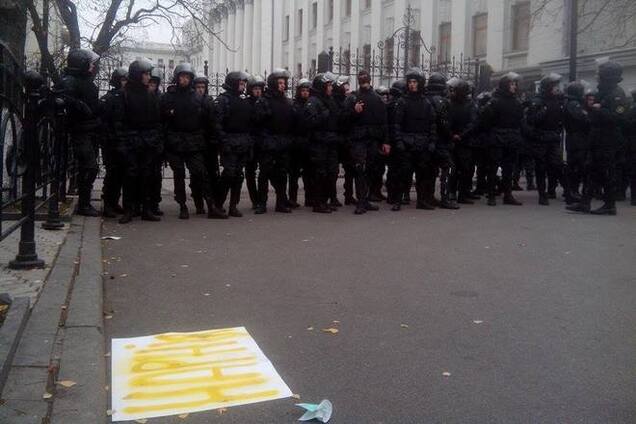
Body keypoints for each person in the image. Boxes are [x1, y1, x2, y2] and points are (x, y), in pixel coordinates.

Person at [102, 59, 162, 223]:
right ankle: (129, 209)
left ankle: (146, 209)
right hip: (130, 141)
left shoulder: (150, 95)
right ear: (137, 75)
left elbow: (156, 121)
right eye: (145, 74)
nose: (148, 77)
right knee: (130, 176)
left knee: (147, 176)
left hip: (147, 141)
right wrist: (122, 143)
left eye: (149, 74)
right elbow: (118, 121)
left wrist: (155, 140)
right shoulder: (124, 94)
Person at [567, 61, 628, 215]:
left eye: (600, 74)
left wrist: (599, 110)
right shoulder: (603, 92)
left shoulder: (617, 94)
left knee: (606, 172)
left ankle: (610, 205)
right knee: (590, 169)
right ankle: (585, 202)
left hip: (608, 140)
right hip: (597, 137)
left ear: (608, 76)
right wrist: (590, 107)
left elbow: (618, 118)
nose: (597, 76)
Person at [160, 63, 214, 219]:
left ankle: (210, 204)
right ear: (177, 77)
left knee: (200, 172)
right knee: (179, 175)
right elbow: (162, 119)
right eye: (182, 76)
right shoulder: (168, 96)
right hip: (175, 141)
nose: (184, 79)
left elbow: (206, 120)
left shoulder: (197, 97)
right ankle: (182, 205)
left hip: (193, 141)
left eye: (187, 77)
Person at [57, 49, 101, 216]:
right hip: (79, 130)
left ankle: (84, 202)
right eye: (89, 63)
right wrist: (79, 105)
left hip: (89, 129)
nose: (92, 66)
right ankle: (83, 204)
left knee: (88, 167)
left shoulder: (84, 80)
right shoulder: (70, 80)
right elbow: (62, 98)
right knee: (89, 167)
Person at [344, 70, 390, 214]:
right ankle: (361, 202)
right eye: (361, 78)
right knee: (360, 169)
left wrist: (386, 141)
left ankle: (366, 199)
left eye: (365, 78)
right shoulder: (353, 98)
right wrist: (354, 111)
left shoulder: (377, 99)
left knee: (370, 170)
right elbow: (344, 119)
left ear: (369, 80)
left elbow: (384, 122)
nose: (363, 80)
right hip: (358, 139)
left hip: (372, 139)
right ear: (358, 80)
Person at [392, 67, 437, 211]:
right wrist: (399, 141)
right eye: (410, 82)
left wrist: (431, 142)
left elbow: (432, 125)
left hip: (422, 144)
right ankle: (397, 200)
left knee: (422, 175)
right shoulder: (402, 102)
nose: (412, 84)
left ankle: (421, 201)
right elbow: (397, 124)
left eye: (415, 82)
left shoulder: (427, 103)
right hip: (407, 144)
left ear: (420, 83)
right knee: (403, 175)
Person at [479, 72, 524, 206]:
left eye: (515, 84)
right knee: (493, 168)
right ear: (505, 85)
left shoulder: (516, 102)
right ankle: (491, 195)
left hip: (511, 138)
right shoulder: (495, 101)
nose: (514, 86)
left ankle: (508, 195)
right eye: (511, 84)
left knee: (508, 168)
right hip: (497, 137)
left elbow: (520, 120)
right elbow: (485, 121)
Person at [253, 69, 294, 214]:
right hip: (268, 142)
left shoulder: (287, 101)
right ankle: (261, 203)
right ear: (273, 84)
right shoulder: (264, 100)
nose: (283, 85)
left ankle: (281, 203)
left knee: (282, 174)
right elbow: (257, 122)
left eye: (284, 83)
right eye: (280, 83)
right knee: (264, 173)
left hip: (282, 143)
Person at [213, 71, 253, 217]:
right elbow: (217, 124)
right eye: (240, 84)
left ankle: (233, 206)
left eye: (244, 84)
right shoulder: (223, 100)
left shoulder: (244, 100)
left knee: (238, 175)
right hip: (229, 142)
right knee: (228, 174)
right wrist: (224, 142)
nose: (243, 87)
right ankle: (217, 205)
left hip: (242, 142)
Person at [525, 73, 565, 205]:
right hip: (541, 138)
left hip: (553, 138)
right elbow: (531, 119)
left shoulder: (557, 100)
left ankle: (559, 190)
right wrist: (544, 111)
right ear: (548, 87)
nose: (557, 88)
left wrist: (558, 130)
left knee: (557, 165)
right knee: (541, 167)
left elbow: (560, 120)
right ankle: (542, 195)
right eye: (554, 86)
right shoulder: (538, 101)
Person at [304, 72, 340, 213]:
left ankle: (325, 201)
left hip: (330, 143)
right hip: (318, 144)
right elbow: (309, 122)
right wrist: (323, 116)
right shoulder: (313, 101)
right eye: (328, 85)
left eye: (331, 85)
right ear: (322, 86)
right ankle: (317, 203)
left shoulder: (329, 100)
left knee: (331, 173)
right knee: (320, 173)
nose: (331, 88)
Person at [425, 72, 459, 209]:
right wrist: (450, 136)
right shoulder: (442, 101)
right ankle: (445, 198)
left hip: (428, 140)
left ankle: (430, 196)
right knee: (449, 167)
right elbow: (444, 123)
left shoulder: (425, 98)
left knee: (432, 169)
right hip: (441, 141)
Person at [99, 67, 127, 218]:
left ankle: (114, 202)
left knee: (121, 175)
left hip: (122, 141)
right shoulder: (109, 98)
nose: (125, 83)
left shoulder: (125, 96)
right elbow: (105, 122)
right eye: (123, 80)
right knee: (112, 174)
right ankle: (108, 204)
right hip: (110, 142)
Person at [447, 77, 479, 204]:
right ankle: (455, 193)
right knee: (456, 169)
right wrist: (454, 135)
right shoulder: (451, 103)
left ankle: (459, 193)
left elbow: (473, 123)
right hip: (459, 141)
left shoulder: (469, 105)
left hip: (462, 141)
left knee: (463, 169)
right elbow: (446, 121)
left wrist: (458, 135)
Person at [562, 82, 590, 205]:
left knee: (575, 167)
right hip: (576, 138)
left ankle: (572, 192)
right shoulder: (574, 104)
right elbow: (582, 118)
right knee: (575, 167)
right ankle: (572, 192)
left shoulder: (573, 103)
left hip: (576, 138)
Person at [289, 78, 312, 208]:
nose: (305, 93)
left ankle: (309, 198)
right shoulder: (294, 105)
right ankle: (292, 199)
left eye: (307, 90)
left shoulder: (312, 104)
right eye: (303, 91)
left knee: (308, 173)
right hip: (296, 143)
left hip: (308, 142)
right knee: (293, 174)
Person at [332, 76, 355, 206]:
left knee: (350, 168)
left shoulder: (349, 101)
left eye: (348, 89)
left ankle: (349, 195)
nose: (348, 91)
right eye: (345, 89)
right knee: (333, 171)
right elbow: (340, 118)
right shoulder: (334, 101)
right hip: (337, 139)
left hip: (347, 139)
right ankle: (333, 197)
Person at [245, 75, 266, 209]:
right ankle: (255, 199)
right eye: (255, 89)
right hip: (250, 141)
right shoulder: (246, 103)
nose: (258, 91)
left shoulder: (265, 102)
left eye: (260, 88)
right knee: (250, 172)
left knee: (264, 171)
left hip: (263, 141)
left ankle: (262, 198)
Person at [385, 79, 406, 206]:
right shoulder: (398, 104)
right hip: (398, 140)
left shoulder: (389, 104)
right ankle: (395, 195)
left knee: (392, 170)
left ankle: (391, 195)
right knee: (398, 170)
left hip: (391, 140)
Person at [147, 67, 165, 217]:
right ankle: (139, 203)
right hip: (143, 140)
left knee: (156, 175)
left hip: (157, 140)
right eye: (150, 82)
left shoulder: (161, 98)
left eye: (154, 83)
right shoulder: (139, 96)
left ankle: (154, 203)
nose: (151, 85)